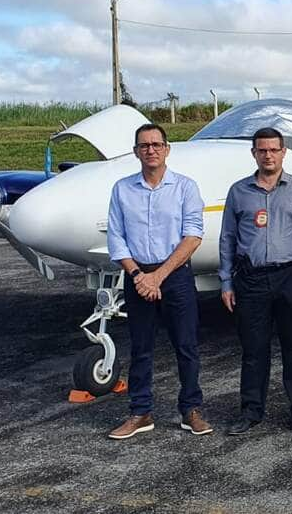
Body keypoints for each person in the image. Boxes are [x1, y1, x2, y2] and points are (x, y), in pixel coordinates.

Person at [218, 127, 292, 436]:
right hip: (251, 278)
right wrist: (226, 282)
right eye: (261, 150)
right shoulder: (239, 192)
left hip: (291, 276)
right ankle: (251, 410)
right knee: (253, 350)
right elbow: (227, 238)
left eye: (273, 150)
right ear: (254, 153)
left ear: (283, 153)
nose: (268, 155)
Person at [105, 123, 211, 439]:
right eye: (144, 145)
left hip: (175, 275)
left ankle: (191, 409)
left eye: (156, 144)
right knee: (140, 348)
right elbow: (116, 237)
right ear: (136, 151)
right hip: (137, 275)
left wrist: (159, 276)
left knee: (186, 346)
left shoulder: (185, 187)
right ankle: (140, 412)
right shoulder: (122, 189)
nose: (151, 150)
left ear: (167, 148)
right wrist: (139, 275)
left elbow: (193, 236)